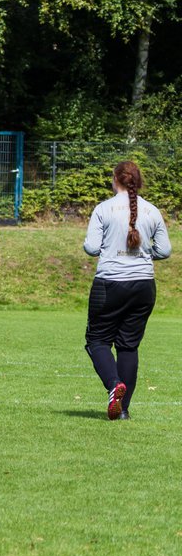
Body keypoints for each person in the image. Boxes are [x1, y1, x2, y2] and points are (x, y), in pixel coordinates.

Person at [83, 161, 171, 419]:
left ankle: (114, 386)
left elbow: (90, 247)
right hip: (144, 286)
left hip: (110, 283)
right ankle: (123, 411)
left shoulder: (103, 209)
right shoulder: (153, 211)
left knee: (97, 341)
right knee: (128, 346)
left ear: (115, 180)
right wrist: (143, 254)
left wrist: (110, 251)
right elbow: (164, 250)